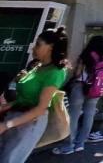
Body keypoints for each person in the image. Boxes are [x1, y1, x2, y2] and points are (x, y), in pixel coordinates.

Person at [0, 28, 68, 163]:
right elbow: (24, 99)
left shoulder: (55, 72)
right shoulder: (37, 67)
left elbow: (40, 109)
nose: (34, 48)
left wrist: (7, 125)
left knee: (9, 159)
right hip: (15, 116)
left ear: (51, 47)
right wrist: (5, 107)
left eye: (38, 44)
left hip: (30, 123)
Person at [53, 35, 103, 155]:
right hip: (96, 89)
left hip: (81, 87)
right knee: (89, 115)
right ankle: (80, 144)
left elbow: (78, 73)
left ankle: (68, 146)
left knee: (73, 116)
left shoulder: (86, 54)